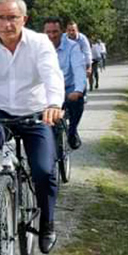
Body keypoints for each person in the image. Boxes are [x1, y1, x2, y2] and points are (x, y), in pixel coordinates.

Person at [0, 0, 65, 254]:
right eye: (1, 17)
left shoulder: (39, 43)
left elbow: (51, 74)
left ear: (24, 19)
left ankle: (47, 221)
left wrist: (54, 103)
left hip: (35, 112)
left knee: (44, 170)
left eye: (12, 17)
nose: (7, 24)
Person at [44, 16, 88, 154]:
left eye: (55, 32)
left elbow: (79, 69)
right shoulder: (38, 47)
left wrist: (78, 90)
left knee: (78, 100)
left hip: (68, 88)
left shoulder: (72, 46)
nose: (51, 36)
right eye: (48, 32)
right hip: (47, 90)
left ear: (62, 32)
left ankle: (72, 130)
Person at [63, 21, 93, 149]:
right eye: (69, 30)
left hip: (78, 68)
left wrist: (89, 66)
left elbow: (87, 53)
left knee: (78, 101)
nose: (71, 32)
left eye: (73, 30)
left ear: (77, 30)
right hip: (63, 75)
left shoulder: (82, 39)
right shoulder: (62, 39)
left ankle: (72, 129)